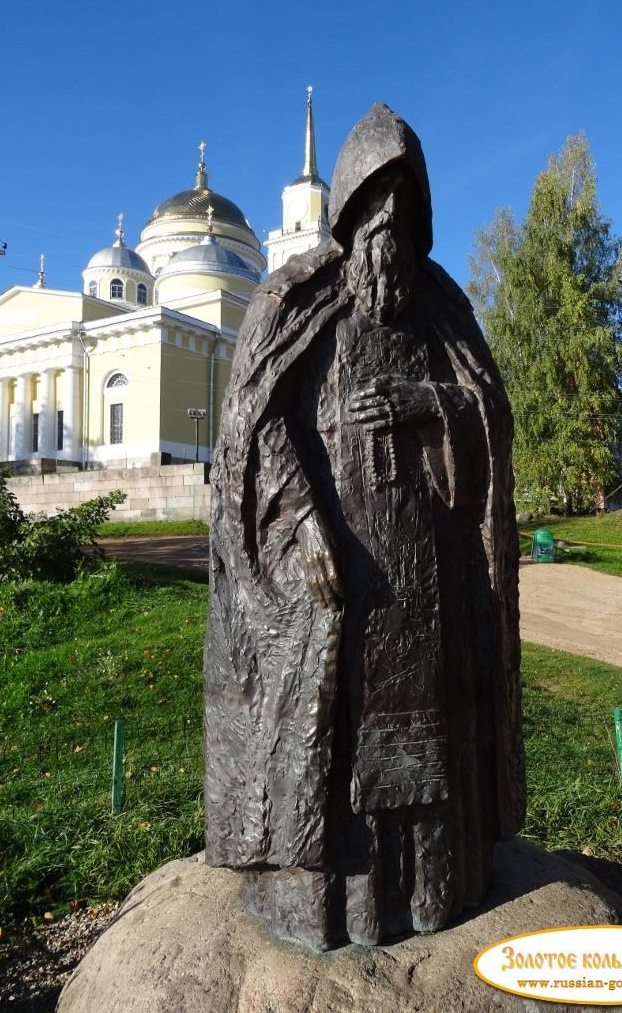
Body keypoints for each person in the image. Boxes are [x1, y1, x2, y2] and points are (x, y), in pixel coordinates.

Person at [203, 103, 525, 950]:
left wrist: (431, 402)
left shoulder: (437, 309)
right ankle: (330, 906)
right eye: (376, 227)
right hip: (339, 574)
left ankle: (431, 894)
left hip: (422, 577)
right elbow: (253, 421)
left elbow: (488, 407)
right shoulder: (298, 301)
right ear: (348, 223)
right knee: (334, 748)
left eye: (404, 227)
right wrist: (305, 521)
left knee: (423, 747)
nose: (391, 251)